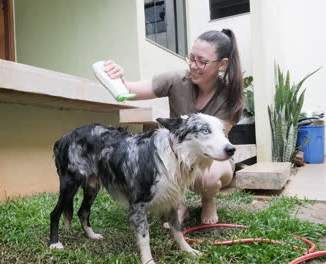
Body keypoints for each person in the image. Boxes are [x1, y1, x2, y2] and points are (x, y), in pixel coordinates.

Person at [104, 29, 244, 225]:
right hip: (176, 152)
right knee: (160, 161)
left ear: (222, 64)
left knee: (208, 177)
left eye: (202, 61)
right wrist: (119, 77)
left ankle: (208, 199)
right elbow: (130, 90)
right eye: (191, 58)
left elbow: (214, 144)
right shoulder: (177, 79)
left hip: (213, 156)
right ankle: (178, 202)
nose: (194, 66)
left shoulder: (230, 97)